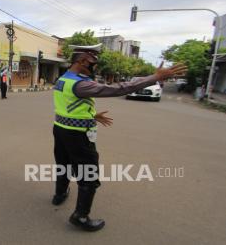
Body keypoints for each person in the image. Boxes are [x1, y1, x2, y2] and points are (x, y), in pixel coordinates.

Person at [52, 44, 187, 232]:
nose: (95, 66)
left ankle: (59, 195)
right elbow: (118, 89)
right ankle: (80, 216)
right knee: (89, 175)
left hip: (60, 129)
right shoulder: (81, 83)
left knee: (64, 164)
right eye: (93, 62)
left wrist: (91, 115)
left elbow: (67, 104)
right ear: (82, 61)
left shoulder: (64, 79)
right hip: (78, 136)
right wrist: (155, 77)